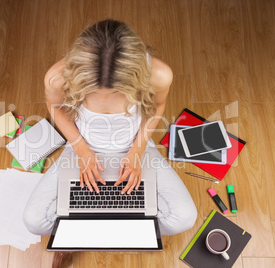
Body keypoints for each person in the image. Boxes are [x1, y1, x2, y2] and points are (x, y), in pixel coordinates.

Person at [23, 19, 197, 238]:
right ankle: (109, 225)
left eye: (115, 93)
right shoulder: (57, 77)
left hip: (135, 148)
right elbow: (55, 106)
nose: (104, 99)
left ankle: (104, 228)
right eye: (94, 91)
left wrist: (137, 151)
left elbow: (157, 105)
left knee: (184, 218)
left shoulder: (159, 75)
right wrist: (82, 150)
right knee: (34, 222)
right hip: (81, 148)